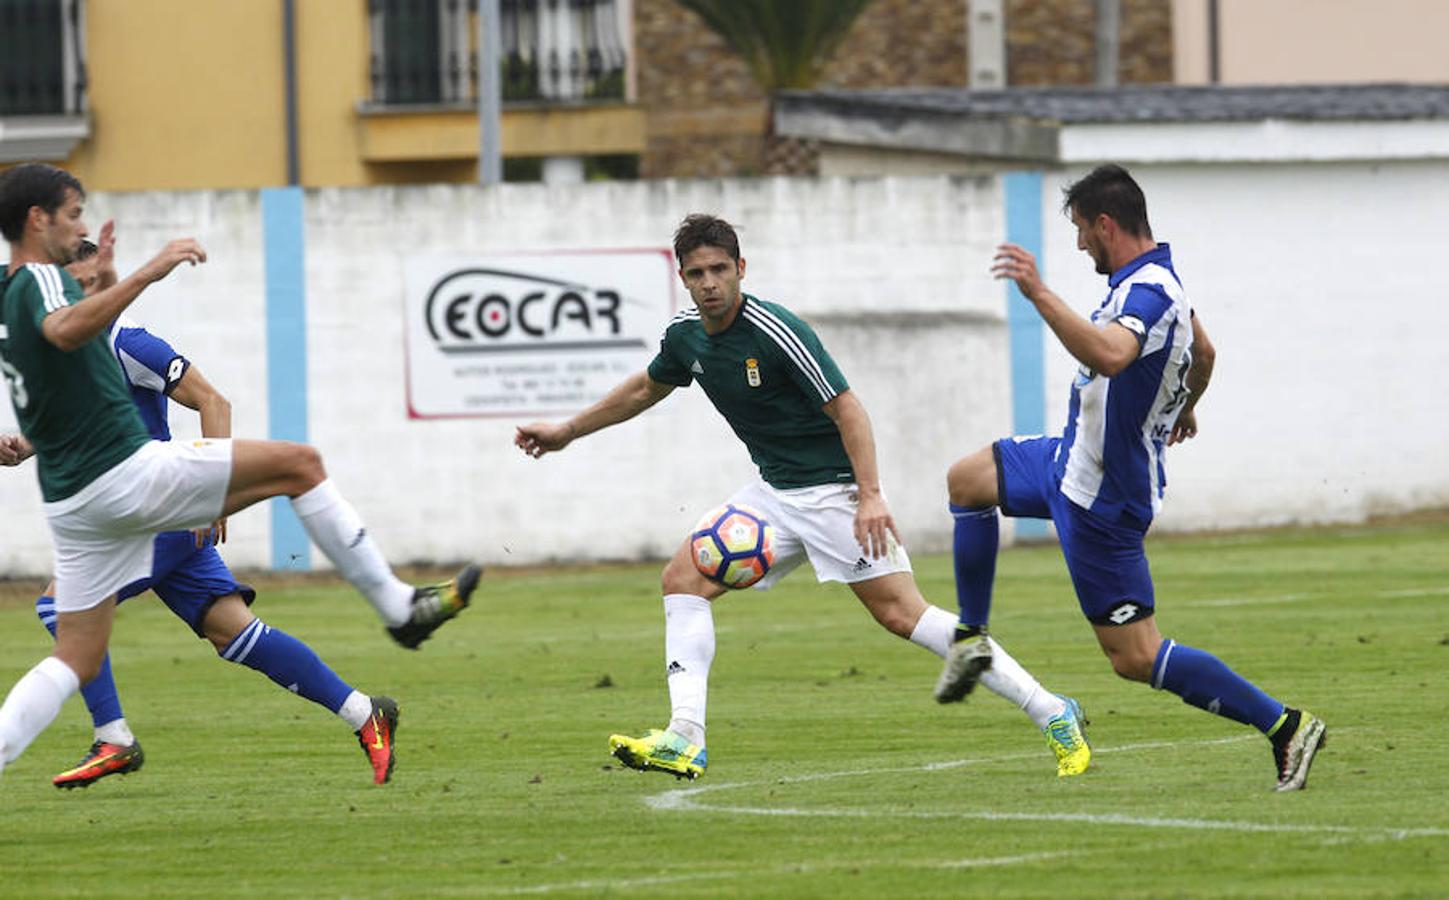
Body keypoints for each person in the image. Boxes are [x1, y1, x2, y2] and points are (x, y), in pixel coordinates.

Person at [515, 213, 1090, 780]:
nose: (710, 283)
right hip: (773, 494)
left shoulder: (775, 331)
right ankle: (684, 738)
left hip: (835, 496)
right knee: (682, 579)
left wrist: (870, 496)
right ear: (682, 277)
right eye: (697, 273)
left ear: (741, 268)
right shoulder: (684, 336)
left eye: (719, 269)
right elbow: (646, 386)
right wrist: (567, 431)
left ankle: (1051, 711)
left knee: (902, 614)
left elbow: (848, 409)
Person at [0, 163, 479, 781]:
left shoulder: (22, 303)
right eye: (73, 219)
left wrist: (28, 440)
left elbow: (74, 388)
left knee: (104, 650)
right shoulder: (43, 283)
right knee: (300, 464)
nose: (83, 233)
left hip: (80, 503)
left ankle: (363, 712)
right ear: (38, 222)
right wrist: (150, 269)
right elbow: (66, 328)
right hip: (135, 486)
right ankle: (399, 609)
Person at [934, 163, 1326, 791]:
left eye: (1082, 230)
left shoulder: (1149, 291)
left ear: (1106, 223)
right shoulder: (1145, 282)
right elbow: (1204, 351)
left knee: (1135, 658)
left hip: (1103, 498)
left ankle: (1284, 726)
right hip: (1069, 459)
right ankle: (972, 638)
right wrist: (1186, 404)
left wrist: (1037, 292)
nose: (1079, 242)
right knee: (967, 480)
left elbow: (1113, 355)